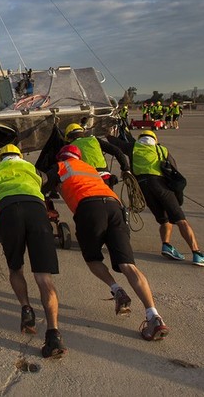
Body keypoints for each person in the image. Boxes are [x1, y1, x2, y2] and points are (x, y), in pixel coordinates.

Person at [49, 145, 169, 341]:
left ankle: (116, 289)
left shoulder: (60, 167)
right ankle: (154, 315)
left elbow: (43, 183)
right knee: (128, 265)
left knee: (93, 259)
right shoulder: (90, 168)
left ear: (61, 157)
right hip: (114, 207)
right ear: (79, 156)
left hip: (88, 209)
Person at [0, 144, 67, 358]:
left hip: (9, 212)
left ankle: (26, 307)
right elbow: (50, 177)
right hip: (36, 211)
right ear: (20, 156)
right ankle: (53, 334)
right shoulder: (32, 170)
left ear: (2, 157)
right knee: (44, 278)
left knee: (16, 268)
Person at [107, 129, 204, 267]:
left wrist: (108, 134)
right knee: (181, 220)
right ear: (154, 139)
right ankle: (197, 253)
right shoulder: (161, 149)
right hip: (160, 185)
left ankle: (166, 245)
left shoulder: (133, 147)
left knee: (164, 220)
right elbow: (173, 167)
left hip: (142, 187)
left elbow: (115, 143)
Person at [64, 123, 129, 188]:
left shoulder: (70, 147)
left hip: (87, 181)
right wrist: (125, 169)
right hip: (105, 179)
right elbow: (117, 151)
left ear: (68, 138)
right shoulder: (94, 140)